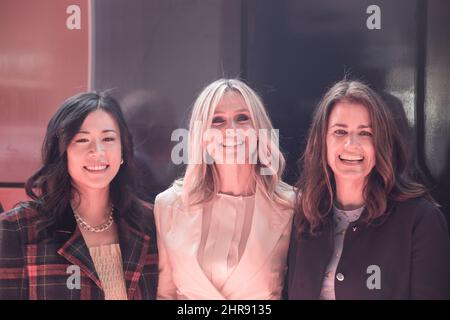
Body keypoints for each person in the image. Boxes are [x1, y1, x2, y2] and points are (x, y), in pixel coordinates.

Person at [286, 80, 450, 299]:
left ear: (380, 144)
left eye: (365, 133)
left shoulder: (421, 220)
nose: (351, 144)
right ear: (322, 142)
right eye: (340, 132)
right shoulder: (303, 216)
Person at [0, 92, 158, 300]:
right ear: (61, 151)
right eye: (82, 139)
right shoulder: (18, 227)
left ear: (123, 150)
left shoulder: (151, 223)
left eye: (108, 138)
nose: (97, 151)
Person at [155, 78, 295, 299]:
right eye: (217, 121)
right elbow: (165, 294)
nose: (231, 130)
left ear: (259, 129)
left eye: (242, 118)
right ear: (201, 136)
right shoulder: (168, 205)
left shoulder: (291, 205)